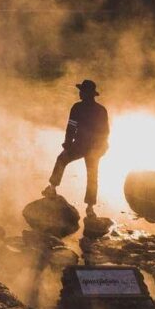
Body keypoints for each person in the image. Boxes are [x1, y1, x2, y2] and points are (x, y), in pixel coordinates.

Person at [43, 79, 109, 215]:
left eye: (81, 91)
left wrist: (67, 143)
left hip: (80, 144)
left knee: (61, 160)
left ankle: (52, 188)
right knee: (92, 175)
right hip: (95, 147)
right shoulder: (101, 110)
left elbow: (71, 127)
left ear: (86, 94)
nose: (79, 94)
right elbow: (105, 131)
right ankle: (90, 207)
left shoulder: (77, 107)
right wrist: (101, 147)